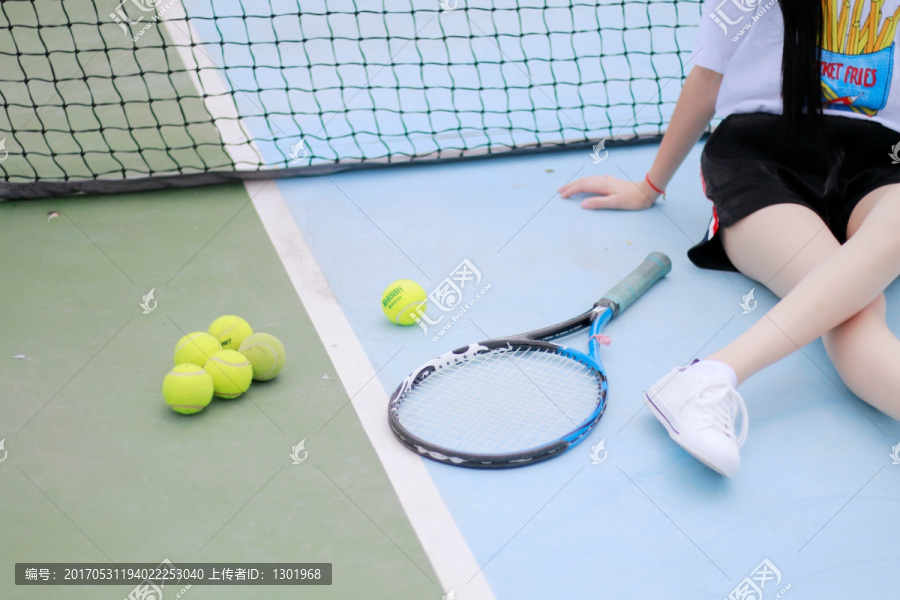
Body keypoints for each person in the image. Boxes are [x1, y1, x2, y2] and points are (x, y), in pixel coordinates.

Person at [559, 0, 900, 477]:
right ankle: (707, 380)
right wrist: (649, 186)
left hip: (882, 162)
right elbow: (706, 80)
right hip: (760, 159)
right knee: (857, 310)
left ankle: (702, 378)